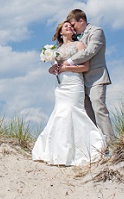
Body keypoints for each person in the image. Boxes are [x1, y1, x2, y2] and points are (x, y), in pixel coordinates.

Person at [32, 20, 106, 166]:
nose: (70, 28)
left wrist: (66, 69)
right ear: (61, 32)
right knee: (60, 113)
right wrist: (52, 69)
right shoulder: (56, 49)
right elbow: (55, 67)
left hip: (74, 83)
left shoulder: (79, 45)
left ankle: (93, 146)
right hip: (61, 85)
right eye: (67, 26)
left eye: (71, 26)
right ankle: (59, 153)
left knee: (74, 111)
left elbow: (85, 67)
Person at [51, 8, 116, 147]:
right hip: (78, 82)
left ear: (81, 21)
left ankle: (113, 145)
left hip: (96, 78)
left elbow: (90, 51)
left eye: (73, 25)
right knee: (87, 115)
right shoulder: (76, 39)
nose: (72, 29)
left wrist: (67, 63)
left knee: (99, 109)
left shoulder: (96, 32)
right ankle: (97, 146)